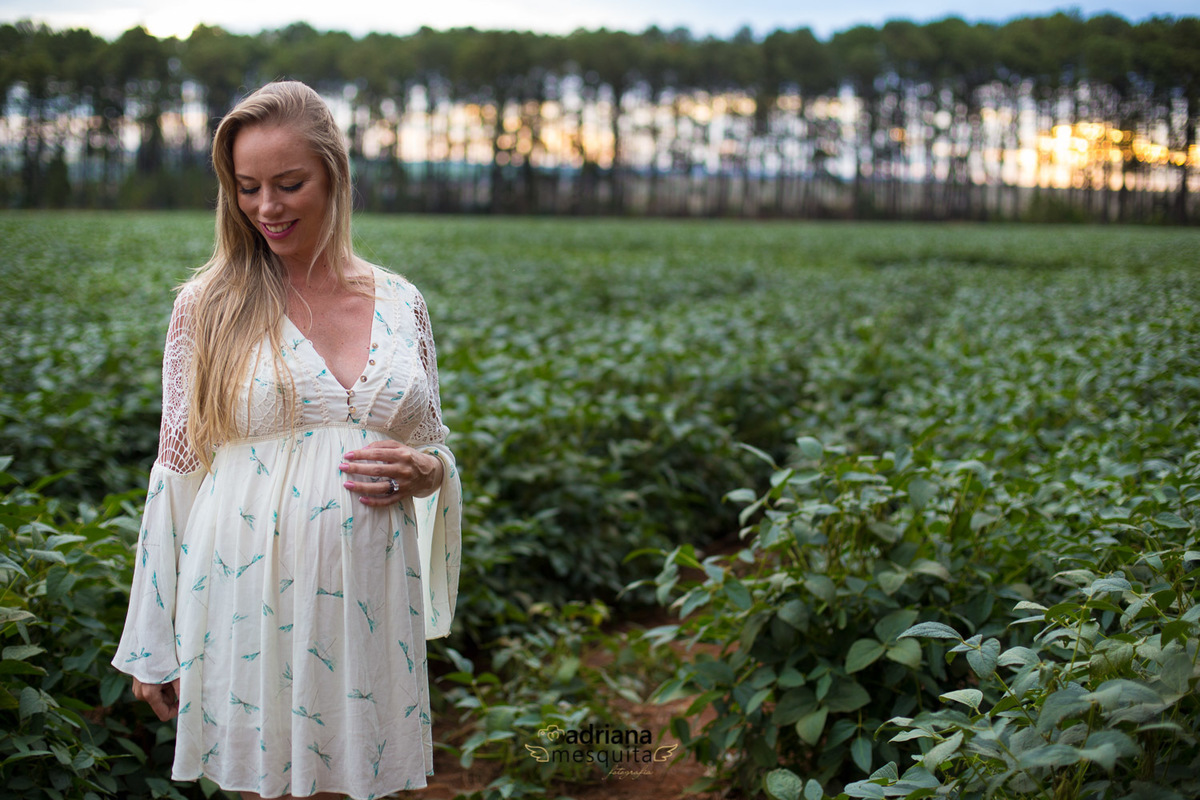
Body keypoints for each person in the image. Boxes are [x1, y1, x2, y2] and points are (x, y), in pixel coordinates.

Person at [111, 80, 462, 800]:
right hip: (243, 589)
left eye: (288, 183)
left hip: (370, 589)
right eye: (246, 188)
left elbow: (433, 451)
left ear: (334, 174)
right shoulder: (207, 305)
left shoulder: (402, 303)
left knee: (364, 782)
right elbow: (175, 471)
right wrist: (152, 639)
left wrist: (428, 472)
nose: (266, 208)